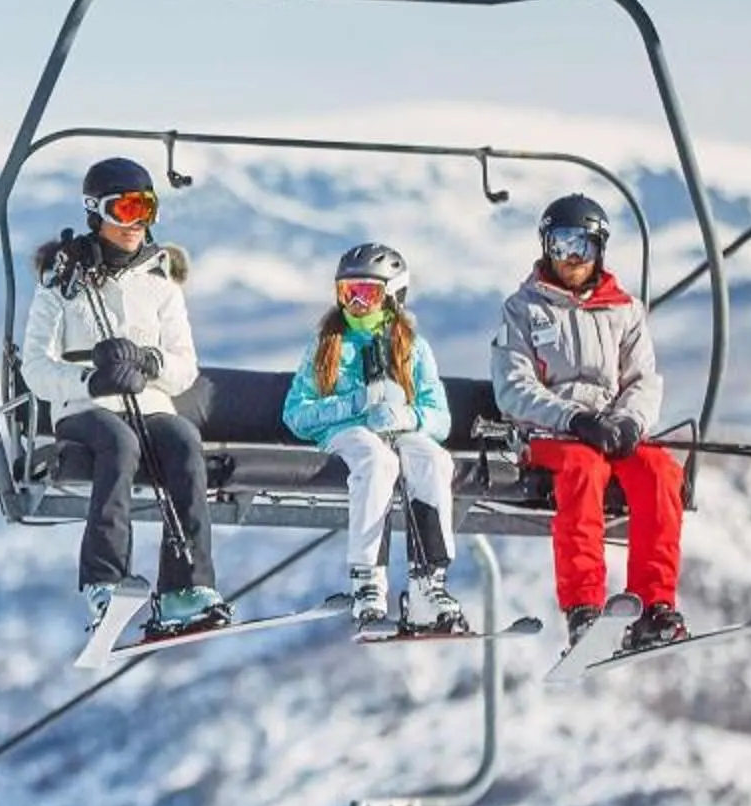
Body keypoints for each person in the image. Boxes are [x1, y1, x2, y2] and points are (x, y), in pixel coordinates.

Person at [18, 157, 225, 636]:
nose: (137, 224)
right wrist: (89, 381)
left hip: (148, 403)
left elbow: (184, 365)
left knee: (182, 441)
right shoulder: (60, 285)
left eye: (145, 209)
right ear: (97, 211)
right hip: (84, 410)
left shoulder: (161, 284)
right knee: (120, 443)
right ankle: (104, 581)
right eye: (125, 210)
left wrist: (152, 365)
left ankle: (185, 587)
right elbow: (36, 368)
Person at [493, 193, 688, 652]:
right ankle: (584, 608)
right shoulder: (523, 309)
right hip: (549, 433)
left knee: (661, 473)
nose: (570, 258)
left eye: (580, 245)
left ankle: (654, 606)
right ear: (545, 247)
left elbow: (643, 380)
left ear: (598, 248)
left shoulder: (624, 309)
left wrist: (628, 423)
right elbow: (512, 387)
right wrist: (572, 418)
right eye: (559, 246)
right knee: (583, 472)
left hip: (609, 429)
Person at [281, 243, 467, 634]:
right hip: (346, 435)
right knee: (377, 461)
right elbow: (296, 414)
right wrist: (355, 404)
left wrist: (409, 416)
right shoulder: (326, 346)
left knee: (433, 460)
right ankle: (368, 579)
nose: (356, 304)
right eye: (348, 293)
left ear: (394, 296)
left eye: (368, 293)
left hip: (399, 431)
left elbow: (440, 418)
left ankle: (428, 582)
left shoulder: (413, 348)